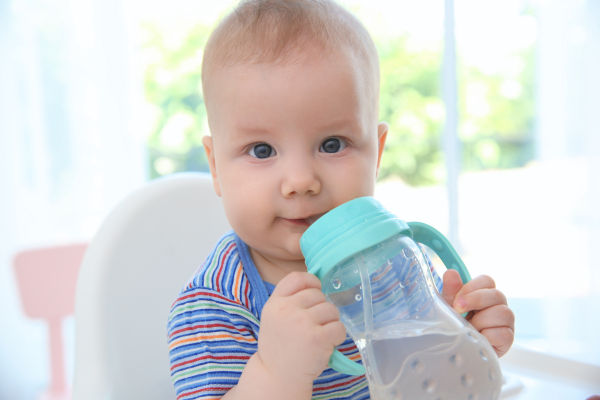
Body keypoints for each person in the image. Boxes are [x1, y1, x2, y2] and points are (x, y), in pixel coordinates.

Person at [167, 1, 515, 399]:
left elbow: (428, 384)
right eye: (262, 151)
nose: (300, 181)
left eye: (332, 144)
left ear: (378, 153)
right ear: (215, 168)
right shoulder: (213, 308)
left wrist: (465, 340)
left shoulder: (393, 267)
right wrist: (274, 372)